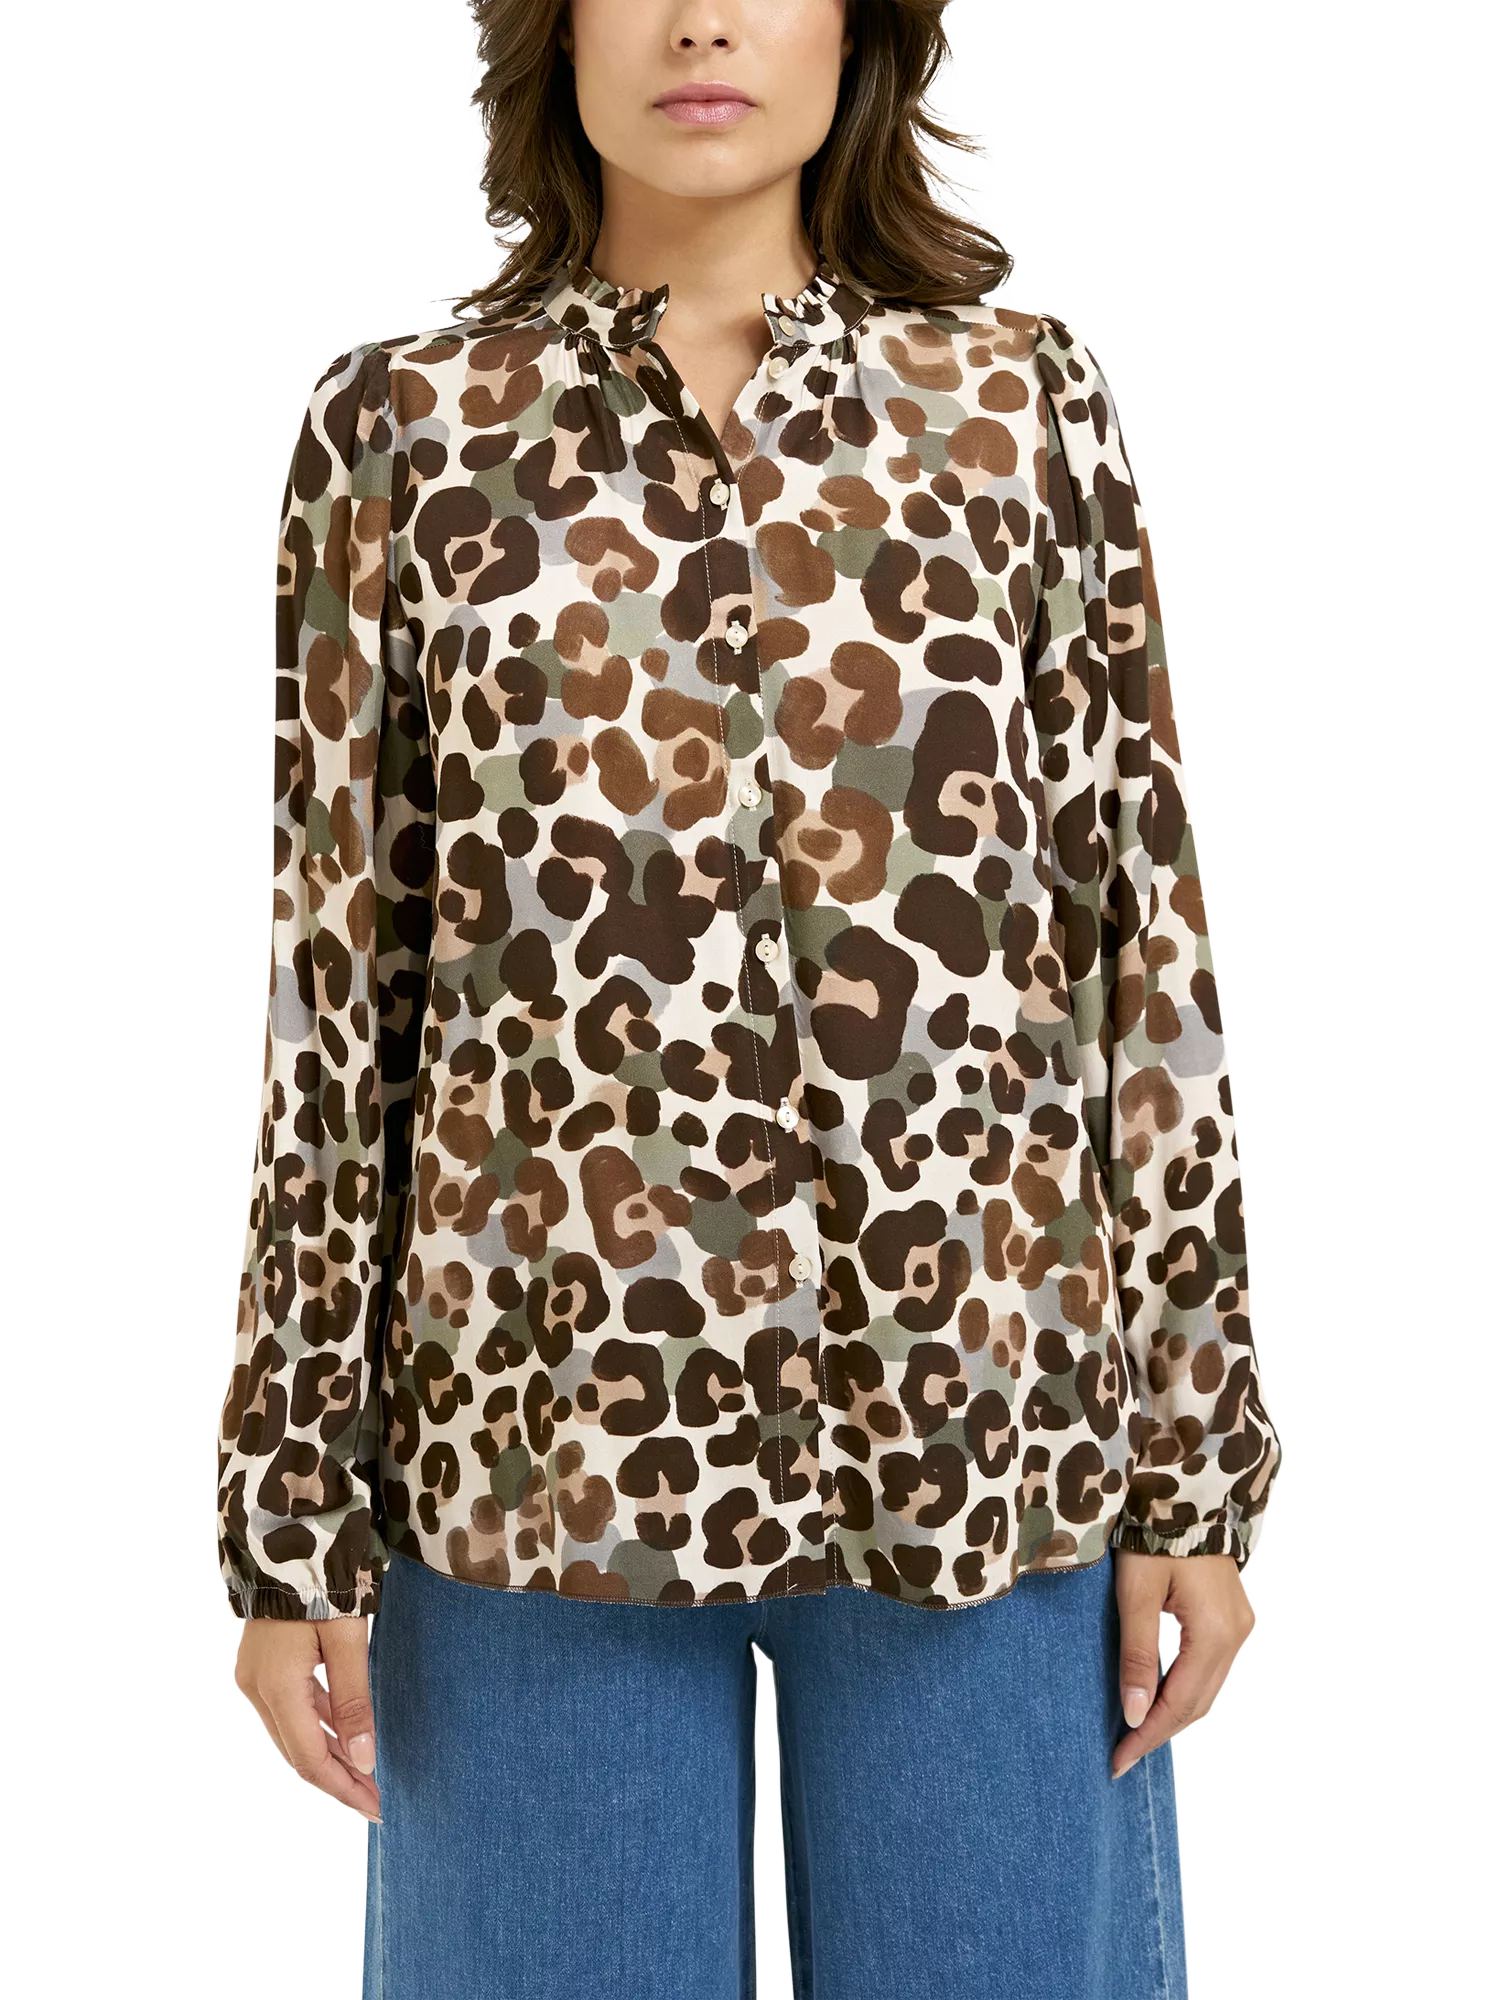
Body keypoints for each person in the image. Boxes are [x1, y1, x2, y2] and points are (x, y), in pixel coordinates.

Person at [217, 3, 1282, 1994]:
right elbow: (339, 992)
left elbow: (1138, 942)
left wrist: (1198, 1465)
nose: (702, 18)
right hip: (533, 1450)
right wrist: (290, 1515)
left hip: (984, 1427)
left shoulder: (1015, 409)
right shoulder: (405, 434)